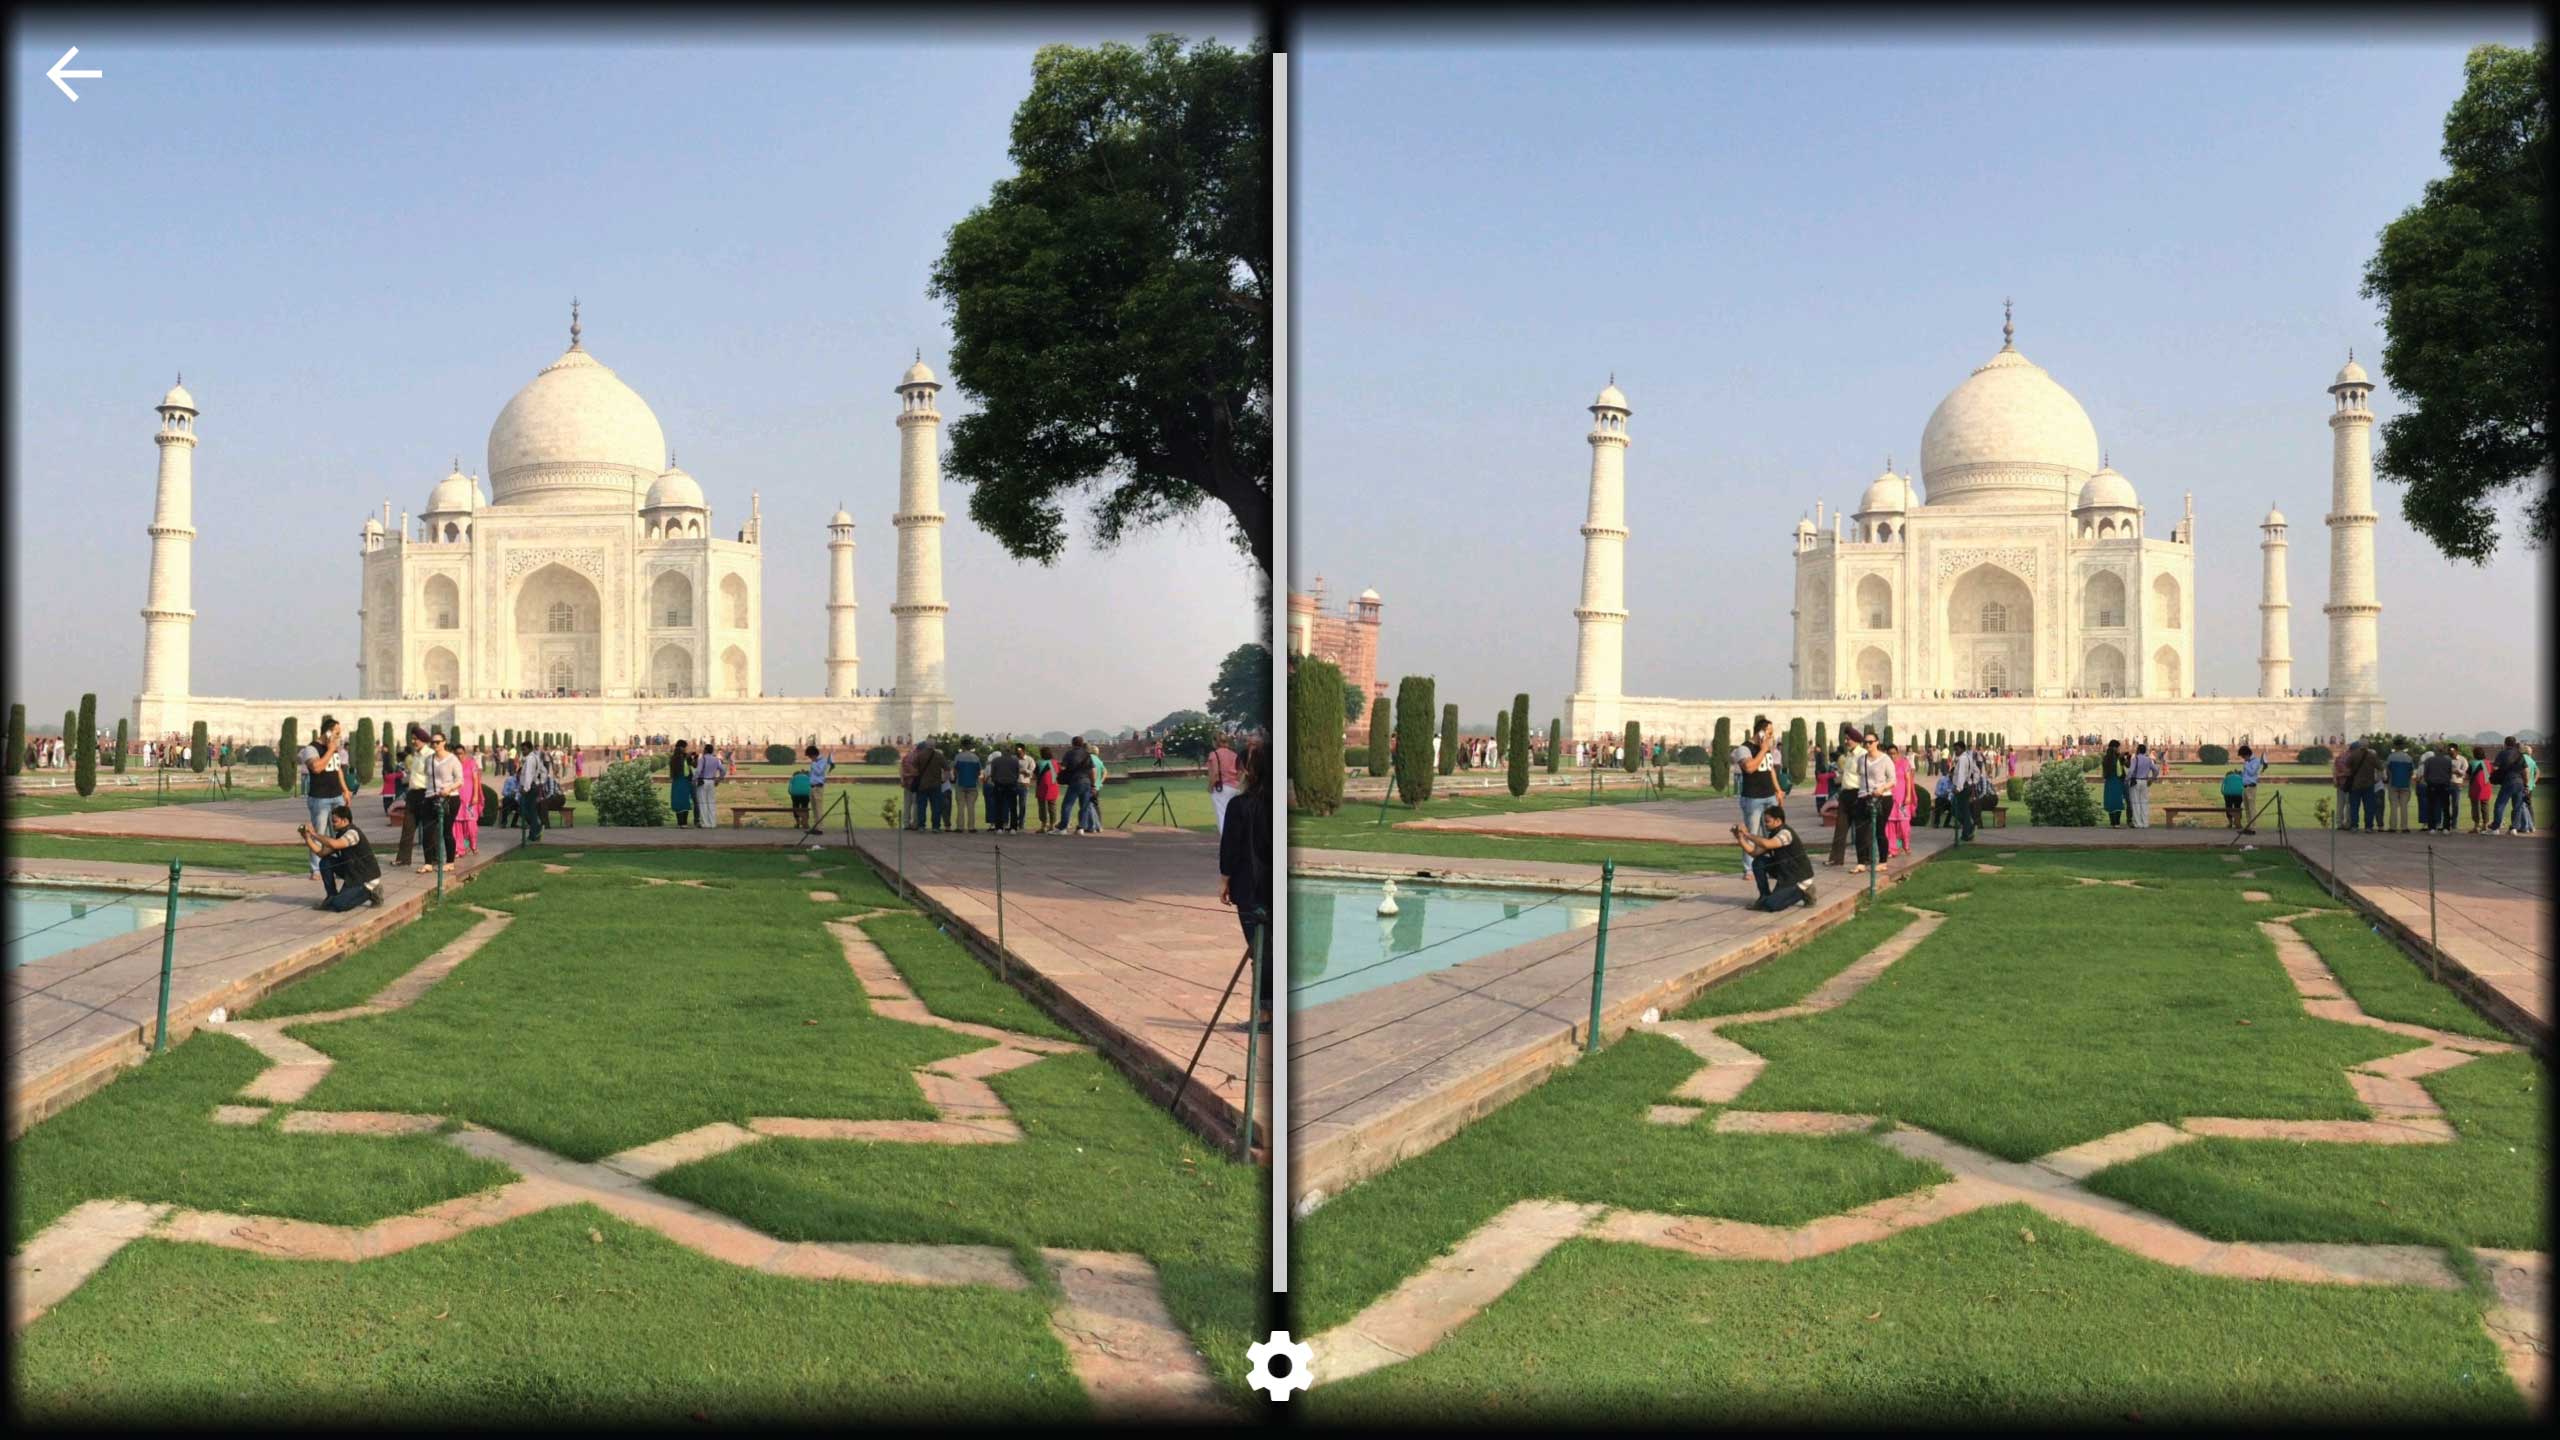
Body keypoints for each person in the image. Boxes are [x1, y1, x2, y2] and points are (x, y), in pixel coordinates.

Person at [1216, 737, 1275, 1032]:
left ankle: (1266, 1015)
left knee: (1261, 952)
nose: (1237, 775)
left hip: (1251, 888)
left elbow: (1231, 848)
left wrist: (1225, 880)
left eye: (1241, 769)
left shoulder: (1241, 806)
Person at [1732, 803, 1818, 911]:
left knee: (1771, 905)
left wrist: (1747, 834)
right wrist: (1740, 838)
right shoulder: (1773, 834)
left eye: (1767, 821)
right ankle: (1764, 896)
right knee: (1758, 862)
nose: (1765, 824)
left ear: (1778, 821)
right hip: (1786, 874)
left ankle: (1806, 891)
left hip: (1799, 878)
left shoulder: (1785, 833)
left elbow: (1767, 844)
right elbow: (1754, 853)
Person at [298, 806, 385, 911]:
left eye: (335, 821)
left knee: (339, 905)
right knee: (326, 862)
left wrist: (314, 834)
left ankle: (373, 892)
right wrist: (307, 838)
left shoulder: (353, 833)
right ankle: (331, 896)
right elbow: (321, 853)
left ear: (345, 820)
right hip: (353, 874)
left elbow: (334, 844)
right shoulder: (341, 834)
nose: (333, 824)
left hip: (366, 878)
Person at [303, 716, 353, 880]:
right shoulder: (311, 749)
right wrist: (331, 749)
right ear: (328, 732)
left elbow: (337, 770)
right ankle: (316, 869)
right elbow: (317, 768)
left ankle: (338, 866)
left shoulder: (334, 749)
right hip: (320, 798)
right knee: (319, 834)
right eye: (337, 734)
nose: (339, 737)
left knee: (340, 833)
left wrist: (346, 790)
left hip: (336, 796)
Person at [393, 725, 433, 868]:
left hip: (425, 793)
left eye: (416, 739)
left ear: (423, 740)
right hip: (413, 793)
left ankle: (431, 860)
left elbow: (431, 776)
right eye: (413, 738)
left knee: (429, 829)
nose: (413, 741)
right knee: (408, 826)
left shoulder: (430, 755)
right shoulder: (416, 755)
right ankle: (403, 858)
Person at [517, 738, 554, 845]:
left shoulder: (529, 759)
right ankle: (535, 832)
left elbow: (528, 775)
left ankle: (536, 830)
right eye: (522, 750)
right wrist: (540, 781)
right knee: (530, 811)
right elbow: (544, 771)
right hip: (534, 787)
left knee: (525, 810)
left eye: (524, 750)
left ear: (529, 749)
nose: (523, 752)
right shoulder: (536, 758)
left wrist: (526, 788)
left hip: (529, 789)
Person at [1948, 740, 1985, 843]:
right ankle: (1967, 831)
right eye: (1954, 750)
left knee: (1956, 810)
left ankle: (1969, 829)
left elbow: (1960, 775)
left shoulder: (1963, 759)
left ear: (1962, 748)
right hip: (1967, 786)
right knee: (1964, 811)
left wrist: (1958, 788)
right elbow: (1977, 771)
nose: (1955, 751)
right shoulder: (1969, 758)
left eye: (1957, 749)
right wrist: (1973, 781)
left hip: (1962, 789)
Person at [1206, 734, 1243, 834]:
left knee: (1222, 815)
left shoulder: (1214, 754)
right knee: (1233, 816)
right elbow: (1240, 772)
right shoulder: (1234, 754)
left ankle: (1226, 843)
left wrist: (1210, 787)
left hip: (1222, 788)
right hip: (1235, 787)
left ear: (1215, 742)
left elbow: (1215, 773)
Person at [2489, 736, 2525, 835]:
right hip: (2520, 781)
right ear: (2515, 743)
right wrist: (2526, 785)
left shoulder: (2502, 753)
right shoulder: (2520, 754)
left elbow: (2495, 767)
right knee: (2517, 806)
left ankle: (2496, 828)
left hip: (2508, 781)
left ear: (2505, 743)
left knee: (2500, 805)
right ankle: (2514, 828)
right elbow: (2525, 770)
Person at [1884, 740, 1914, 859]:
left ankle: (1906, 844)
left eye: (1894, 753)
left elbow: (1908, 780)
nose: (1892, 756)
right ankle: (1892, 849)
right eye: (1890, 753)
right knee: (1890, 824)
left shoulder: (1904, 763)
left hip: (1902, 799)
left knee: (1904, 824)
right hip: (1889, 798)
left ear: (1898, 753)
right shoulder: (1885, 765)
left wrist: (1908, 796)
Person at [985, 743, 1021, 835]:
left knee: (999, 807)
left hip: (999, 784)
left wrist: (996, 780)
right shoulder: (1015, 760)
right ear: (1011, 751)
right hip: (1012, 785)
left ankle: (999, 828)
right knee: (1012, 807)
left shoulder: (996, 760)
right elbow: (1017, 773)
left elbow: (993, 774)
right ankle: (1013, 828)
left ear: (1002, 751)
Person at [454, 741, 483, 857]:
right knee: (457, 824)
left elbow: (476, 780)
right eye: (456, 754)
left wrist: (475, 795)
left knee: (471, 824)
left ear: (465, 753)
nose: (459, 756)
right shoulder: (453, 765)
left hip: (470, 798)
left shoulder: (471, 763)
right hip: (457, 797)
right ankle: (459, 849)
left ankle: (473, 845)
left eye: (460, 753)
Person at [2419, 742, 2453, 834]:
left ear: (2435, 750)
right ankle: (2446, 828)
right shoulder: (2448, 760)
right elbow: (2450, 774)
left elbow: (2426, 774)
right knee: (2445, 807)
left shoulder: (2429, 761)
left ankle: (2432, 828)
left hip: (2432, 785)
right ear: (2444, 750)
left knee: (2431, 807)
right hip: (2444, 785)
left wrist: (2429, 781)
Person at [917, 740, 950, 832]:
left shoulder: (920, 755)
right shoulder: (939, 756)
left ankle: (921, 826)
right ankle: (935, 826)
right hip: (935, 784)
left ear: (926, 745)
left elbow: (914, 768)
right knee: (936, 807)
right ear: (934, 746)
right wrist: (944, 780)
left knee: (921, 806)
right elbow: (947, 769)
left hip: (922, 784)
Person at [2126, 742, 2159, 828]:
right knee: (2144, 802)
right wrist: (2152, 779)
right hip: (2144, 781)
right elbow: (2156, 770)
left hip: (2135, 781)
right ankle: (2145, 823)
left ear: (2138, 750)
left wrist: (2127, 779)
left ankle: (2138, 823)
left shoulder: (2135, 759)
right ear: (2145, 751)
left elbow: (2130, 771)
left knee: (2136, 802)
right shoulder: (2148, 760)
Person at [2385, 741, 2415, 833]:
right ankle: (2404, 827)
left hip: (2393, 783)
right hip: (2405, 784)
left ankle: (2393, 827)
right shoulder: (2409, 758)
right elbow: (2411, 771)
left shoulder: (2391, 757)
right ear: (2403, 747)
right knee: (2404, 806)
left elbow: (2388, 770)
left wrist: (2390, 779)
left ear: (2395, 746)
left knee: (2393, 806)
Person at [952, 743, 983, 833]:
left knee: (960, 806)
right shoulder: (976, 757)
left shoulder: (958, 756)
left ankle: (960, 827)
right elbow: (979, 771)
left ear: (963, 747)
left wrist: (957, 777)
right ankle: (971, 827)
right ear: (970, 747)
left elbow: (955, 770)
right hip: (972, 784)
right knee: (971, 807)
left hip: (960, 783)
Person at [804, 744, 833, 836]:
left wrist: (813, 763)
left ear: (813, 755)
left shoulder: (822, 761)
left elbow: (820, 772)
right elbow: (814, 775)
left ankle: (820, 828)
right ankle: (816, 827)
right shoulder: (816, 762)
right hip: (812, 787)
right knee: (814, 809)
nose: (810, 759)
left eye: (809, 757)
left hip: (818, 787)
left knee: (818, 808)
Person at [900, 739, 929, 830]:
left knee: (907, 804)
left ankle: (906, 823)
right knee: (916, 804)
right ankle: (915, 823)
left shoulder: (907, 756)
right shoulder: (920, 758)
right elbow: (919, 772)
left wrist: (902, 779)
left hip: (907, 783)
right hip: (916, 783)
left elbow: (901, 769)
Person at [2238, 744, 2266, 836]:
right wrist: (2240, 774)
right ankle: (2248, 827)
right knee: (2246, 808)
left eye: (2243, 756)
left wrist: (2246, 765)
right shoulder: (2247, 762)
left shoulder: (2256, 761)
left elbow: (2252, 773)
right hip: (2245, 787)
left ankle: (2253, 828)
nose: (2243, 759)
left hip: (2251, 787)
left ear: (2246, 755)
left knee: (2251, 808)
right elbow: (2246, 775)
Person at [695, 744, 726, 828]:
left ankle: (705, 823)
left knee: (703, 803)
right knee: (711, 802)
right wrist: (719, 779)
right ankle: (712, 823)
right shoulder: (716, 759)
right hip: (712, 781)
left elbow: (698, 771)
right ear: (712, 751)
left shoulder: (702, 759)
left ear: (705, 750)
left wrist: (694, 779)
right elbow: (723, 770)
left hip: (703, 781)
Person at [1034, 745, 1061, 833]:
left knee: (1042, 806)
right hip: (1053, 786)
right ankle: (1052, 825)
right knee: (1052, 806)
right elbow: (1058, 773)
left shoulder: (1039, 763)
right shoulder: (1055, 762)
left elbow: (1035, 774)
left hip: (1042, 786)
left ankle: (1043, 825)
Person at [2466, 743, 2493, 833]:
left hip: (2475, 787)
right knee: (2485, 806)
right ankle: (2485, 825)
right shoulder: (2488, 763)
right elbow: (2489, 775)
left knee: (2475, 806)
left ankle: (2476, 826)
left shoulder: (2472, 763)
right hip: (2486, 787)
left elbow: (2468, 775)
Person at [2101, 740, 2127, 828]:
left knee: (2111, 801)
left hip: (2109, 781)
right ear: (2115, 748)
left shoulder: (2106, 758)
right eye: (2118, 747)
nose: (2119, 749)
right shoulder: (2118, 758)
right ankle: (2117, 823)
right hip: (2117, 781)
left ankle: (2112, 823)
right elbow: (2126, 766)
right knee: (2118, 801)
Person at [669, 740, 695, 828]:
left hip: (677, 781)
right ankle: (684, 823)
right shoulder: (684, 757)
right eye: (685, 747)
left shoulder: (674, 757)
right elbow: (693, 765)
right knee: (684, 801)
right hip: (683, 781)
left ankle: (680, 822)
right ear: (682, 747)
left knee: (678, 801)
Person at [787, 759, 814, 831]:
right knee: (805, 808)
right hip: (806, 794)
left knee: (795, 807)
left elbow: (789, 789)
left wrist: (792, 793)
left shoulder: (793, 778)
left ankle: (798, 822)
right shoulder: (808, 778)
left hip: (795, 795)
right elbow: (811, 787)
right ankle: (805, 821)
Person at [2221, 763, 2248, 831]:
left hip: (2228, 795)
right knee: (2237, 808)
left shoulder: (2226, 778)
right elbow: (2245, 786)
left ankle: (2230, 823)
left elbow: (2222, 788)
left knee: (2228, 807)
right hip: (2238, 794)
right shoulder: (2240, 777)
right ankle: (2238, 822)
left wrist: (2224, 793)